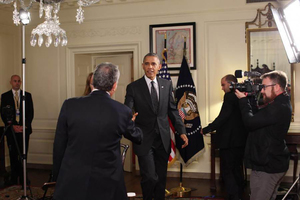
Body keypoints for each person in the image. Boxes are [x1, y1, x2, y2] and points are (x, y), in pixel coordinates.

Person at [52, 62, 143, 200]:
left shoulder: (69, 105)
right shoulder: (123, 111)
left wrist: (57, 176)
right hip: (108, 182)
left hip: (73, 178)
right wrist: (132, 123)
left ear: (93, 81)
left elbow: (59, 144)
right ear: (114, 86)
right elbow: (137, 137)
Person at [124, 53, 188, 200]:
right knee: (150, 177)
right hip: (143, 139)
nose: (150, 67)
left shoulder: (166, 85)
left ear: (159, 67)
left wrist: (181, 131)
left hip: (163, 139)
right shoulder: (133, 87)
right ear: (142, 66)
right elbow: (127, 108)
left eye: (153, 64)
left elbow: (172, 110)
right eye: (147, 64)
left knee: (160, 179)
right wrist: (128, 117)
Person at [235, 70, 292, 200]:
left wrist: (243, 101)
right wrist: (250, 98)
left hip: (267, 166)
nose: (262, 91)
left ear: (276, 87)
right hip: (271, 162)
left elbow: (250, 122)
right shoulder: (280, 103)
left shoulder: (278, 107)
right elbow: (259, 117)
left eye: (264, 87)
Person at [202, 74, 248, 200]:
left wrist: (207, 128)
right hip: (241, 140)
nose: (222, 88)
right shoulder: (242, 96)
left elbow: (223, 117)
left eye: (223, 85)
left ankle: (233, 196)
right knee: (237, 170)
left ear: (231, 83)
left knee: (227, 170)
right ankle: (239, 195)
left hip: (229, 141)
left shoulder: (229, 96)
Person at [0, 75, 34, 186]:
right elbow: (3, 114)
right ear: (11, 82)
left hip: (24, 130)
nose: (17, 83)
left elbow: (30, 113)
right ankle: (14, 179)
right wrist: (12, 126)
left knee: (23, 155)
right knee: (13, 154)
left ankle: (24, 178)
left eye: (19, 81)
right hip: (11, 131)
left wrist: (24, 126)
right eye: (15, 81)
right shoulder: (5, 96)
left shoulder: (27, 95)